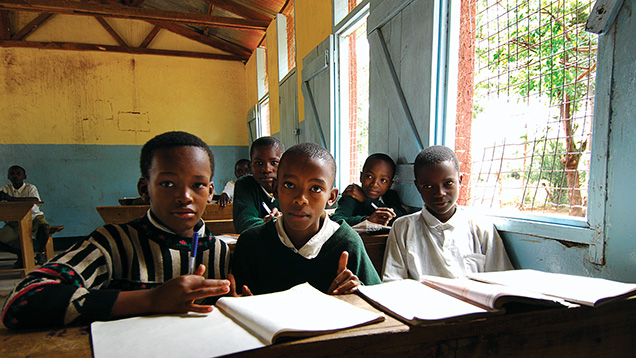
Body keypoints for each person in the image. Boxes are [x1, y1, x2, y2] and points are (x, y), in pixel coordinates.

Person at [1, 131, 231, 330]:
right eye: (167, 184)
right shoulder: (113, 243)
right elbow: (23, 301)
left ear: (211, 192)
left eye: (198, 185)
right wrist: (151, 299)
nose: (185, 197)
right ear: (144, 189)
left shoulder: (221, 252)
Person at [230, 142, 381, 296]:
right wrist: (235, 303)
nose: (300, 199)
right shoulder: (251, 243)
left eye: (315, 188)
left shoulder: (347, 243)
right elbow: (234, 303)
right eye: (289, 185)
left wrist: (357, 292)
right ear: (276, 190)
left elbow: (377, 301)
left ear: (331, 197)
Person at [382, 145, 513, 281]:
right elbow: (393, 281)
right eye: (428, 186)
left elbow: (501, 281)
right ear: (418, 187)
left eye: (448, 183)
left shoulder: (481, 228)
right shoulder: (403, 228)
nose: (439, 193)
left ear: (460, 181)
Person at [330, 153, 406, 227]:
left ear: (390, 184)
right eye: (369, 176)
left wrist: (366, 200)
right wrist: (366, 220)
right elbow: (336, 220)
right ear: (361, 177)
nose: (374, 184)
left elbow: (401, 218)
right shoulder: (352, 195)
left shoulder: (390, 196)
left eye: (383, 180)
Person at [0, 165, 50, 267]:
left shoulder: (30, 188)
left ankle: (40, 253)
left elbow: (34, 200)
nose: (15, 176)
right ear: (8, 177)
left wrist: (11, 199)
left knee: (44, 227)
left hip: (34, 218)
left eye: (18, 174)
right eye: (12, 174)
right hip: (15, 222)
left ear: (25, 176)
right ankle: (20, 253)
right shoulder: (5, 189)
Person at [232, 136, 284, 234]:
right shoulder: (245, 185)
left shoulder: (292, 186)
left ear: (284, 165)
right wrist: (273, 223)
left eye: (274, 163)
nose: (267, 169)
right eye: (259, 163)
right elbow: (243, 223)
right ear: (251, 167)